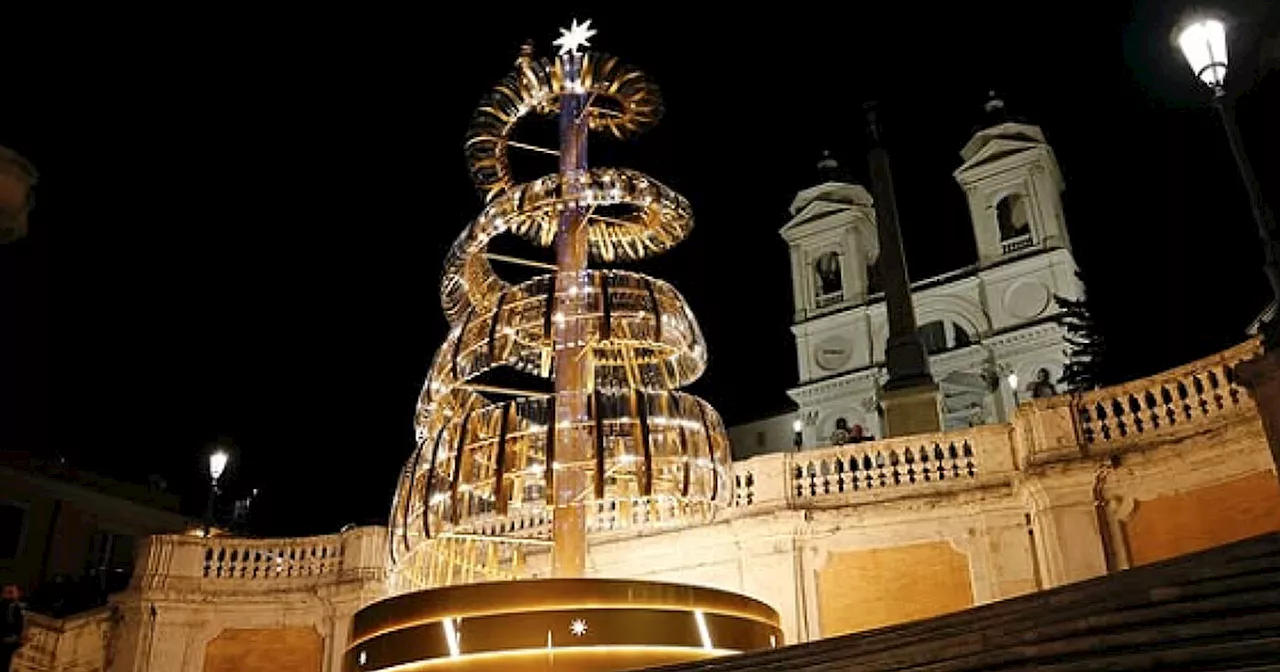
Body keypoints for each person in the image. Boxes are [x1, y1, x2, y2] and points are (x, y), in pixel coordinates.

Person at [1, 583, 25, 672]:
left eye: (11, 592)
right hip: (6, 641)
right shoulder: (8, 605)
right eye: (8, 592)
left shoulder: (14, 606)